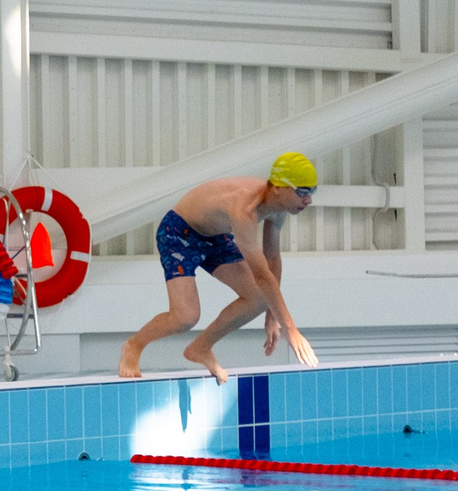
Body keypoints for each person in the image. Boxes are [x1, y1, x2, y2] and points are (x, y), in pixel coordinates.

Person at [117, 153, 322, 383]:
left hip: (214, 236)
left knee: (258, 298)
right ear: (278, 187)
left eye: (312, 192)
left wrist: (272, 316)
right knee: (185, 317)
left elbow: (272, 258)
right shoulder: (245, 208)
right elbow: (263, 275)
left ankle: (201, 347)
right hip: (178, 233)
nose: (309, 200)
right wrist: (291, 329)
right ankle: (133, 346)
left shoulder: (278, 210)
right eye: (302, 192)